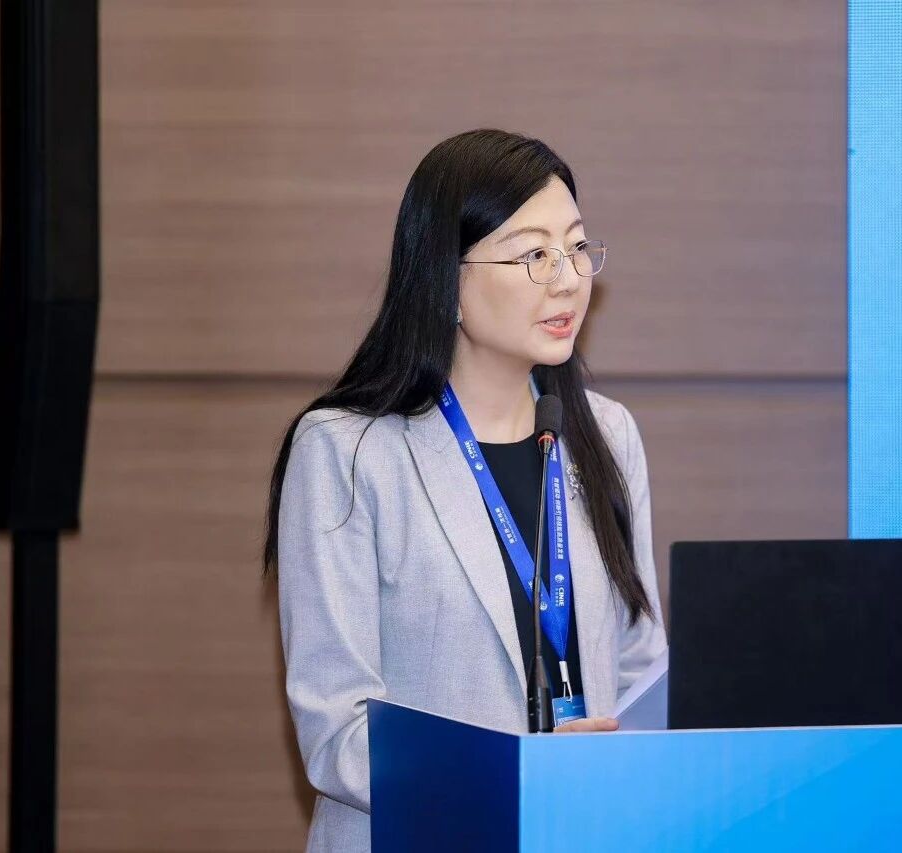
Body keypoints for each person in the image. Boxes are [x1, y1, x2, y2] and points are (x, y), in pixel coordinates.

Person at [262, 128, 668, 851]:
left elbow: (641, 665)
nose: (568, 279)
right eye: (534, 254)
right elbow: (338, 730)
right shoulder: (348, 452)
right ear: (446, 280)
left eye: (577, 247)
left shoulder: (607, 434)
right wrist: (519, 776)